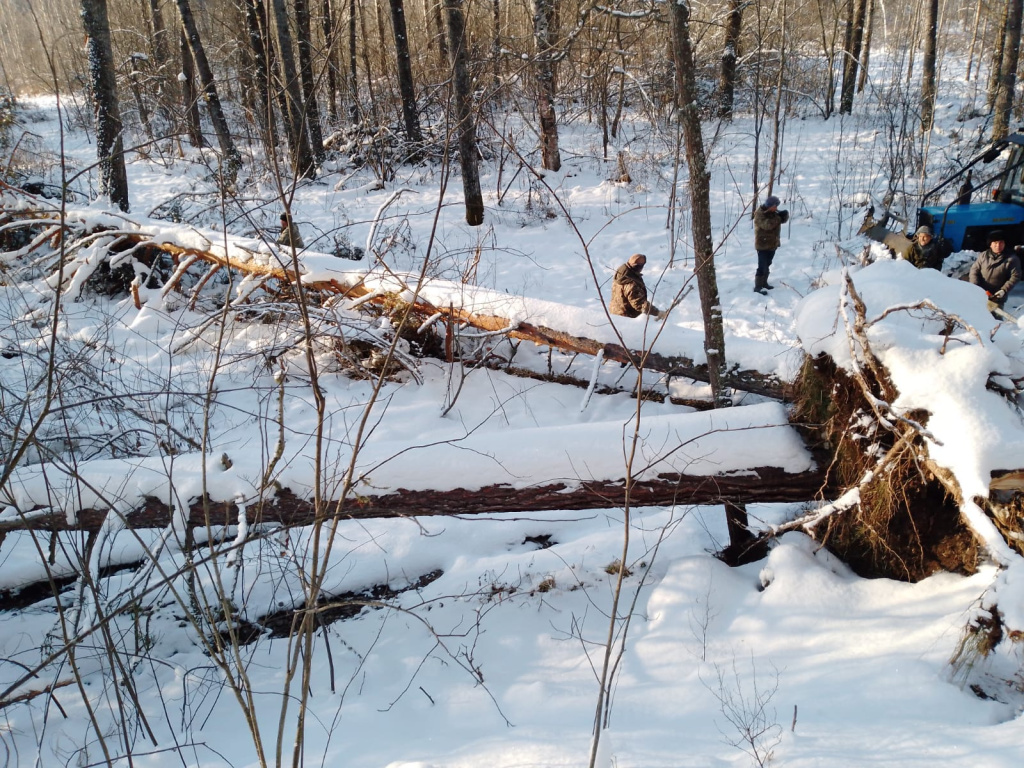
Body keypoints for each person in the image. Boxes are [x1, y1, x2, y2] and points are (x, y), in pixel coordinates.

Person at [969, 230, 1021, 308]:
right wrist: (976, 287)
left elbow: (1015, 276)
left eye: (1001, 243)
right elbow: (974, 271)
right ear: (990, 244)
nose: (998, 245)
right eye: (995, 243)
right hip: (981, 294)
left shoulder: (1012, 259)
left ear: (1004, 244)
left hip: (997, 297)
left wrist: (1003, 290)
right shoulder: (983, 256)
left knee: (995, 319)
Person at [753, 195, 789, 295]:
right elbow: (767, 225)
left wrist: (784, 215)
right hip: (762, 245)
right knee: (762, 266)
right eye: (775, 206)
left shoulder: (773, 212)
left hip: (772, 244)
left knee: (767, 264)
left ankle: (764, 283)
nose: (776, 209)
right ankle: (758, 286)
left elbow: (782, 220)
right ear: (770, 205)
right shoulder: (759, 214)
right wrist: (778, 218)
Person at [610, 253, 661, 319]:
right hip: (628, 319)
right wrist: (658, 313)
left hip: (615, 314)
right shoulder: (632, 284)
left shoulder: (621, 274)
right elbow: (640, 305)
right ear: (638, 267)